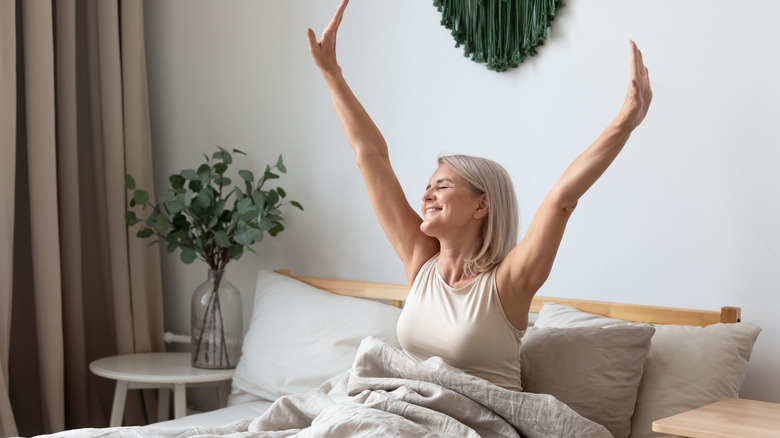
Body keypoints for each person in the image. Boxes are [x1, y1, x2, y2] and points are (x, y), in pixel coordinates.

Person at [307, 0, 652, 391]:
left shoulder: (508, 283)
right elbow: (371, 158)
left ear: (481, 205)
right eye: (428, 186)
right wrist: (332, 75)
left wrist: (625, 123)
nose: (427, 195)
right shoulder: (420, 263)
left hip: (480, 422)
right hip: (409, 412)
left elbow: (561, 198)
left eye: (443, 185)